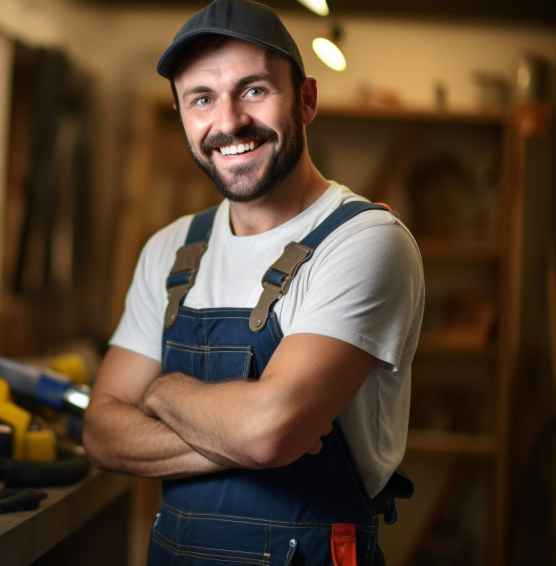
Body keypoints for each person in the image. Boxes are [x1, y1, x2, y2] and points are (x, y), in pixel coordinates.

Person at [82, 0, 425, 564]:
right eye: (201, 99)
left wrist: (161, 392)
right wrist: (245, 433)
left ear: (306, 100)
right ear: (183, 117)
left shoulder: (364, 241)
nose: (229, 122)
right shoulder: (170, 250)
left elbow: (270, 432)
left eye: (254, 90)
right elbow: (100, 432)